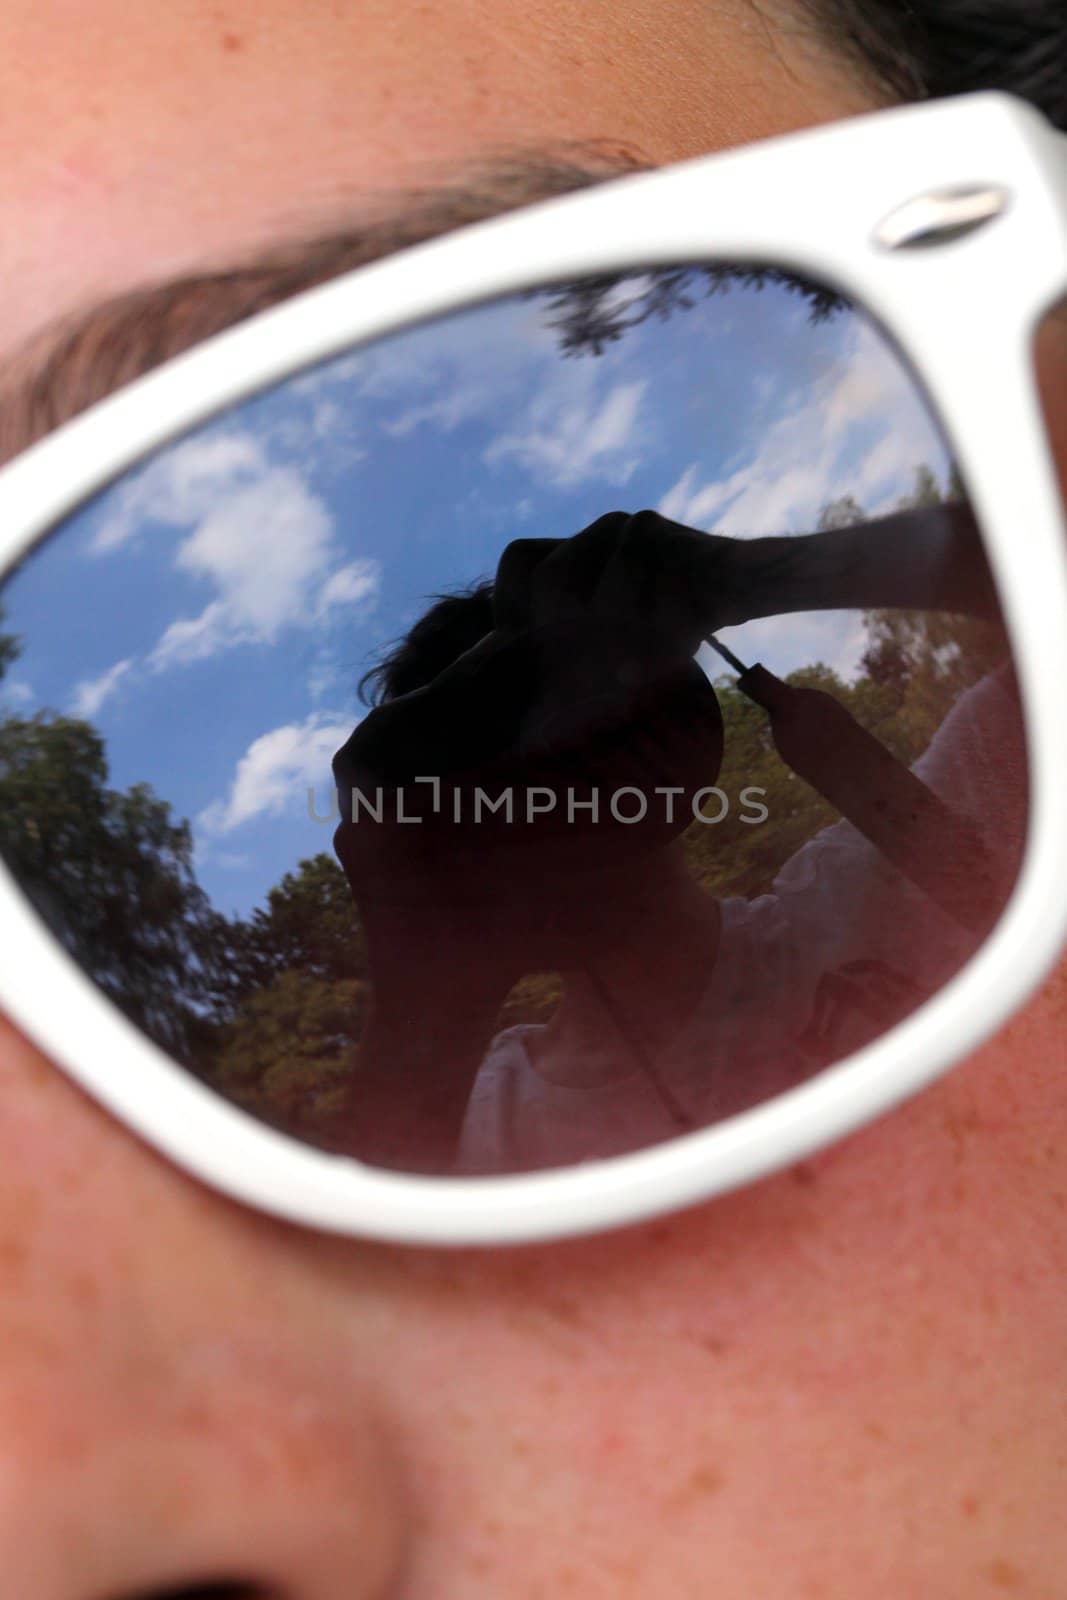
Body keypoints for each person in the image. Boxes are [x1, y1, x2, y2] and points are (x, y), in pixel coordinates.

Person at [0, 3, 1063, 1596]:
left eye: (534, 684)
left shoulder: (965, 819)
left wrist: (754, 573)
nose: (42, 1513)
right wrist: (423, 987)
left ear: (684, 716)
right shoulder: (472, 1106)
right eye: (471, 734)